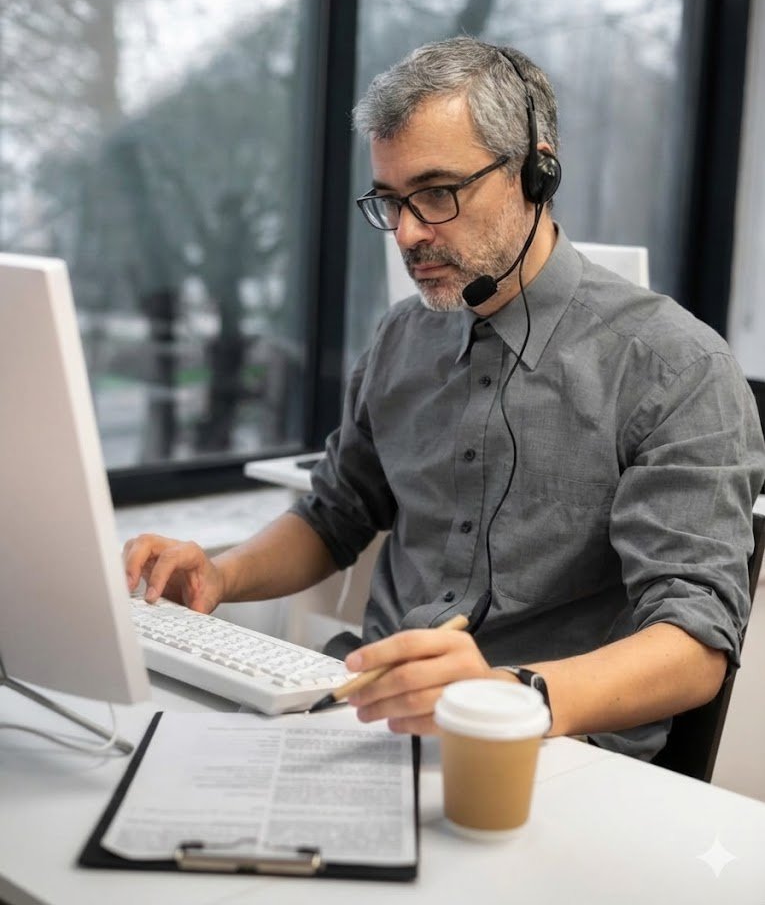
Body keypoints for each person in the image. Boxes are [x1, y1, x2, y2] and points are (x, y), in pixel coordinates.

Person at [125, 37, 765, 760]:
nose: (407, 233)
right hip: (364, 713)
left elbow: (695, 644)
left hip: (544, 746)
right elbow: (335, 515)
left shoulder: (676, 368)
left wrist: (503, 695)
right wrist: (221, 574)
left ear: (535, 172)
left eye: (436, 193)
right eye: (390, 201)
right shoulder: (403, 336)